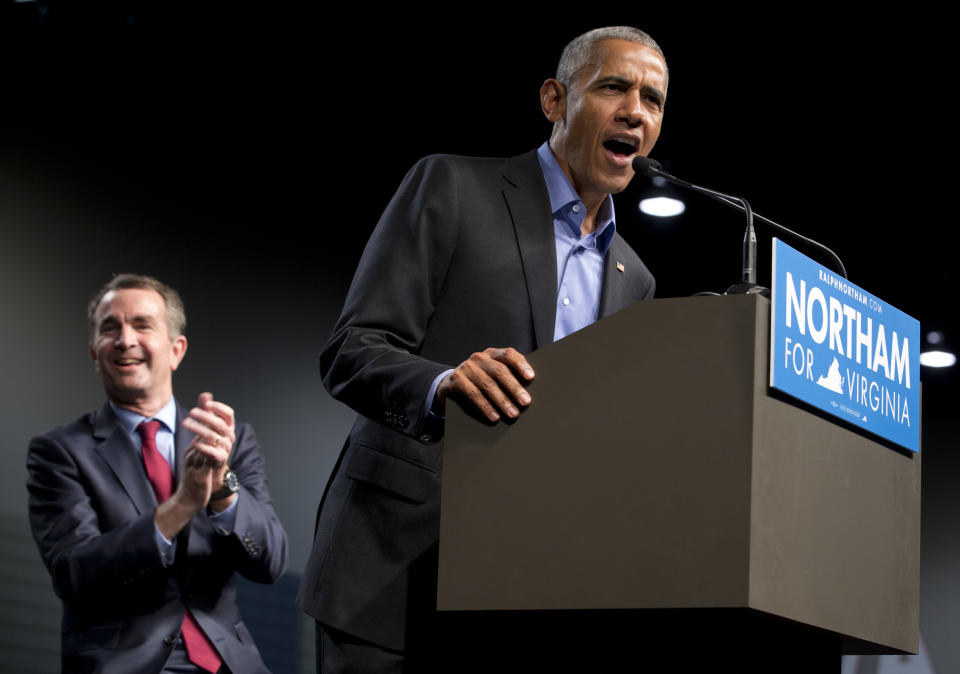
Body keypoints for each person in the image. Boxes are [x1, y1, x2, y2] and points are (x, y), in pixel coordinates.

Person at [298, 26, 667, 672]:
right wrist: (443, 385)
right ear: (555, 99)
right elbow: (351, 350)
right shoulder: (452, 187)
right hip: (390, 576)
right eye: (614, 87)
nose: (636, 111)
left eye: (654, 100)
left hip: (513, 597)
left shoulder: (634, 278)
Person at [27, 274, 288, 674]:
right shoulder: (59, 451)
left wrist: (221, 488)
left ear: (176, 350)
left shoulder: (227, 440)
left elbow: (270, 562)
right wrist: (182, 505)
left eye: (142, 325)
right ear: (95, 354)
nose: (125, 339)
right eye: (109, 328)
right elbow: (75, 574)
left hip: (229, 664)